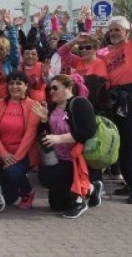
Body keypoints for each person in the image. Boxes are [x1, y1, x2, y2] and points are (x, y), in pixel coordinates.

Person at [96, 0, 132, 203]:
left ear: (127, 32)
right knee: (124, 141)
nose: (114, 33)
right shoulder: (107, 54)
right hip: (118, 98)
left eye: (118, 30)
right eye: (111, 30)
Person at [33, 75, 101, 218]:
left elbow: (88, 130)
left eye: (55, 88)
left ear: (68, 88)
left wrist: (59, 139)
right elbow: (44, 135)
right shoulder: (52, 107)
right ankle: (91, 189)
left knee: (47, 175)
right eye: (49, 88)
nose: (51, 91)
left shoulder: (80, 104)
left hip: (78, 159)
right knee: (56, 206)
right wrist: (44, 120)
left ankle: (80, 199)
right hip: (59, 159)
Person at [0, 72, 40, 209]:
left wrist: (15, 159)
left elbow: (30, 135)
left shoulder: (33, 105)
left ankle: (28, 191)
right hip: (2, 155)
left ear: (26, 86)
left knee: (12, 172)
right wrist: (3, 154)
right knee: (9, 199)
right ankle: (10, 186)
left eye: (18, 83)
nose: (14, 86)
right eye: (11, 83)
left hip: (23, 156)